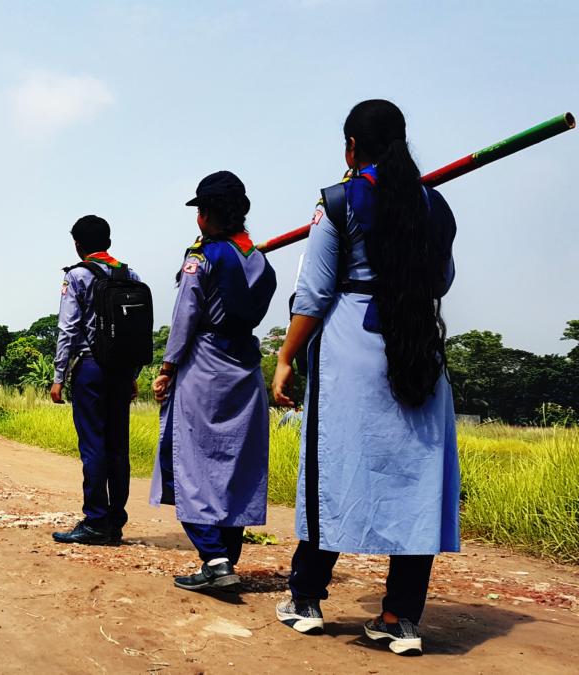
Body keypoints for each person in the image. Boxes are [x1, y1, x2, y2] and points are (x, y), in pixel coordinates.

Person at [272, 99, 460, 656]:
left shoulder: (337, 201)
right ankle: (401, 617)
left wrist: (286, 356)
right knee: (415, 480)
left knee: (332, 468)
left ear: (352, 147)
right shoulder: (437, 207)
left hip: (351, 347)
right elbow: (443, 282)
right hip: (419, 346)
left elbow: (313, 293)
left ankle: (306, 599)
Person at [149, 171, 277, 592]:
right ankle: (227, 558)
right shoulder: (261, 260)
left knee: (188, 462)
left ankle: (214, 558)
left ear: (206, 215)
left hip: (203, 365)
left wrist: (167, 367)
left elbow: (185, 316)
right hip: (245, 367)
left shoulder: (200, 257)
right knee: (236, 467)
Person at [51, 215, 141, 546]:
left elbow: (68, 328)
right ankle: (115, 521)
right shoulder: (129, 273)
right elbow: (135, 329)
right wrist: (133, 374)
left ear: (77, 245)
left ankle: (95, 520)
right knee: (118, 446)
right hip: (121, 370)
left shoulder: (76, 276)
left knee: (93, 445)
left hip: (90, 369)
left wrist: (59, 375)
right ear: (109, 242)